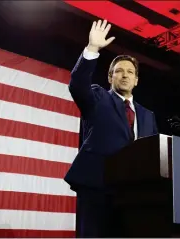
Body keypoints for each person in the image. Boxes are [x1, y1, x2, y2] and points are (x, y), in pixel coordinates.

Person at [64, 19, 158, 237]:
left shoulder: (148, 116)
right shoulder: (97, 97)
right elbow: (77, 84)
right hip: (98, 185)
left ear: (136, 80)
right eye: (119, 71)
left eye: (130, 72)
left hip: (133, 193)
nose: (125, 75)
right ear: (110, 77)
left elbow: (152, 154)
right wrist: (93, 48)